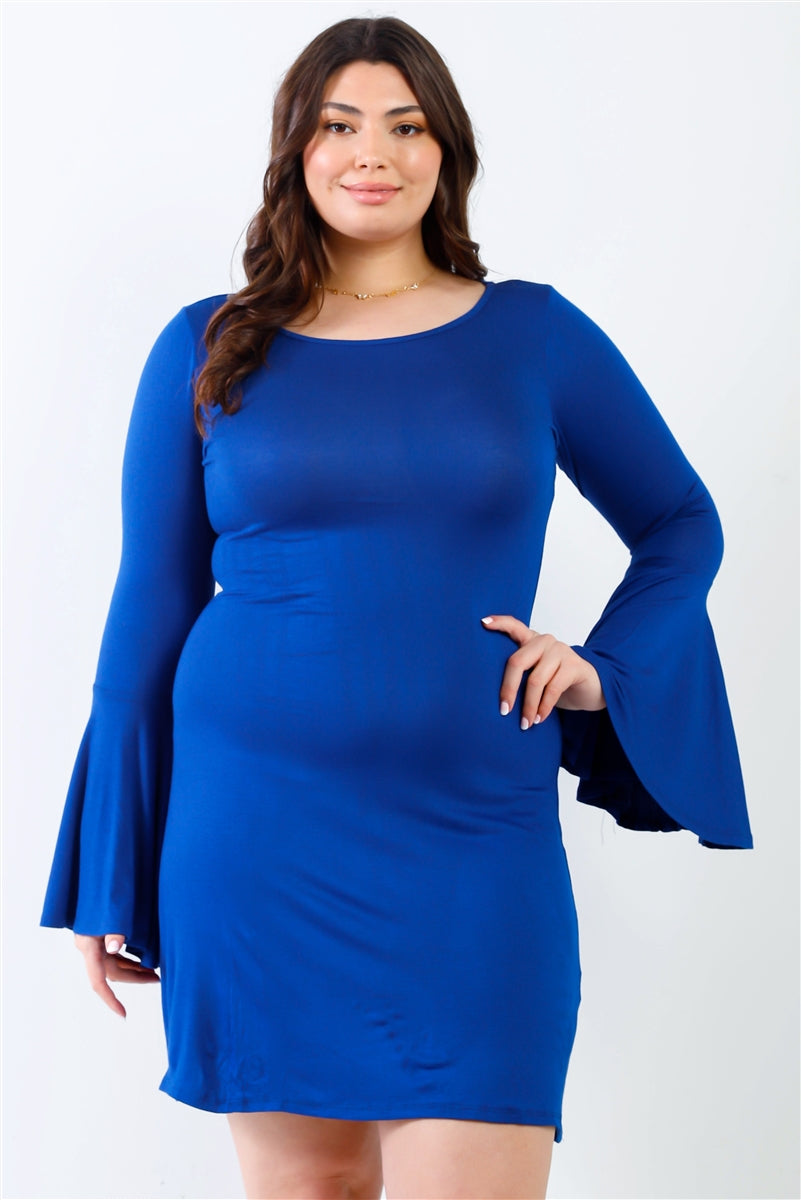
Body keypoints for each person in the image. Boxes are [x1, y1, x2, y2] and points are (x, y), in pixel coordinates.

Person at [40, 15, 753, 1200]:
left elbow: (682, 521)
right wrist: (107, 863)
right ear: (295, 151)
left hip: (474, 840)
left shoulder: (533, 334)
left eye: (405, 126)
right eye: (338, 125)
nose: (371, 152)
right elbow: (151, 604)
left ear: (446, 152)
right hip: (254, 844)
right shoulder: (208, 347)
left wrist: (606, 665)